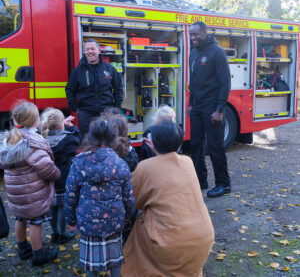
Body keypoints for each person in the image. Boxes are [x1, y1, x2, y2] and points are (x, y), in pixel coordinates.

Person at [121, 121, 214, 277]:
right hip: (204, 238)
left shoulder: (146, 166)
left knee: (139, 223)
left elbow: (132, 201)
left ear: (153, 143)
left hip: (169, 244)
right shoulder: (187, 161)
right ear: (179, 143)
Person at [64, 118, 136, 277]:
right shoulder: (120, 164)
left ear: (90, 137)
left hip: (88, 222)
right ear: (113, 139)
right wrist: (128, 216)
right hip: (114, 221)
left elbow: (70, 195)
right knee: (115, 259)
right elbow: (128, 196)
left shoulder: (78, 163)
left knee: (91, 263)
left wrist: (70, 220)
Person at [0, 101, 60, 266]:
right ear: (35, 121)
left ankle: (23, 249)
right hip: (32, 192)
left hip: (16, 193)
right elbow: (46, 167)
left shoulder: (10, 139)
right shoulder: (33, 142)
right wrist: (56, 174)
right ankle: (39, 254)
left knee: (20, 219)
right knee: (35, 223)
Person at [187, 21, 231, 198]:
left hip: (212, 106)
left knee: (215, 146)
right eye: (191, 34)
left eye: (196, 34)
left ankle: (223, 184)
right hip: (197, 106)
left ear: (205, 32)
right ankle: (200, 180)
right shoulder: (193, 53)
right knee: (195, 145)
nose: (193, 38)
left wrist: (220, 109)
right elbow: (194, 82)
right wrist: (191, 103)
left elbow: (225, 82)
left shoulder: (217, 52)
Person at [65, 38, 123, 136]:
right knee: (88, 145)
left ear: (98, 51)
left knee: (108, 143)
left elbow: (118, 89)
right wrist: (77, 109)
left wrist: (115, 108)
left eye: (92, 49)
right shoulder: (78, 71)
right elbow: (69, 90)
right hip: (86, 115)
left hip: (106, 114)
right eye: (87, 49)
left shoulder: (109, 69)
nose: (90, 51)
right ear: (84, 51)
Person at [40, 108, 82, 244]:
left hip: (48, 179)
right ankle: (62, 234)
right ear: (61, 124)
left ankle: (54, 234)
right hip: (63, 179)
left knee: (52, 207)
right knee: (63, 207)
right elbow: (78, 140)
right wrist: (72, 127)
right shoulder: (68, 139)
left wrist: (60, 123)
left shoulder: (42, 138)